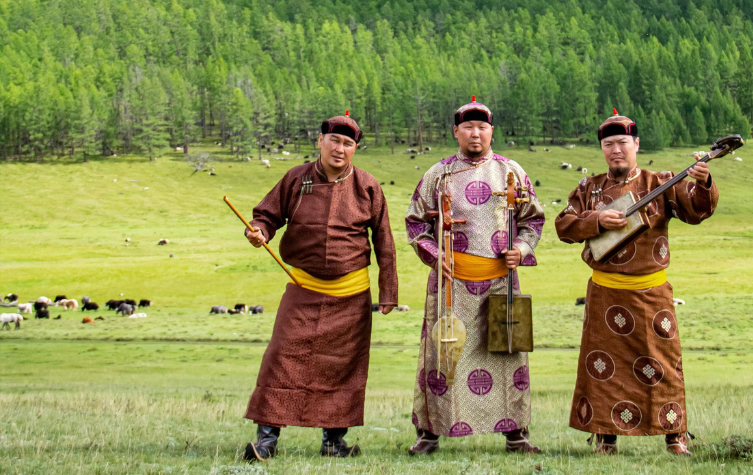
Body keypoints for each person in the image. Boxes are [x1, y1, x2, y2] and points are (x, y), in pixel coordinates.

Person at [554, 110, 719, 456]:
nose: (616, 150)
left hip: (651, 293)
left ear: (636, 144)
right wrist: (596, 219)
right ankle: (605, 437)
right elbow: (563, 225)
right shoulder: (589, 187)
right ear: (602, 148)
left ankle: (675, 436)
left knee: (663, 364)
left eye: (623, 143)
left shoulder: (661, 182)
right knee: (602, 370)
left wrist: (703, 182)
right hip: (604, 293)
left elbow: (696, 211)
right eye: (609, 144)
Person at [241, 111, 398, 460]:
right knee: (282, 357)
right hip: (304, 288)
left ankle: (333, 441)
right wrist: (259, 232)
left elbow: (385, 242)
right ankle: (265, 441)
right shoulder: (295, 179)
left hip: (351, 294)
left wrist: (389, 292)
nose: (340, 149)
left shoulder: (368, 186)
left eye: (348, 143)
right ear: (320, 141)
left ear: (355, 148)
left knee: (342, 366)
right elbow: (267, 215)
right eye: (334, 141)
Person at [405, 97, 545, 455]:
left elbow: (532, 220)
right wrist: (436, 256)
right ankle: (430, 432)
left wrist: (522, 250)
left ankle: (516, 433)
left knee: (507, 354)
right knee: (444, 355)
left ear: (492, 131)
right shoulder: (439, 174)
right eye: (468, 127)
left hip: (501, 281)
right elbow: (416, 224)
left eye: (482, 127)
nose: (475, 133)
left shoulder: (511, 172)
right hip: (451, 283)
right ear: (456, 132)